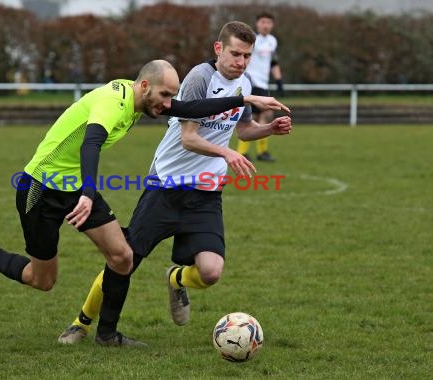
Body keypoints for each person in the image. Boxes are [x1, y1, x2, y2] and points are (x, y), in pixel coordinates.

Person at [0, 59, 288, 347]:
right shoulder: (113, 101)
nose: (169, 104)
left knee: (122, 256)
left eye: (172, 96)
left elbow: (192, 108)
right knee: (41, 279)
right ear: (144, 87)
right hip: (41, 189)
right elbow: (90, 144)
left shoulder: (144, 98)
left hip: (78, 186)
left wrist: (248, 100)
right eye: (165, 95)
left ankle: (106, 334)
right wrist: (89, 193)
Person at [58, 21, 292, 346]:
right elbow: (188, 138)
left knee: (210, 272)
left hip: (206, 192)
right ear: (218, 48)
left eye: (247, 56)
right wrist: (226, 153)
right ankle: (80, 323)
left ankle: (176, 277)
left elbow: (244, 129)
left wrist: (269, 130)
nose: (241, 61)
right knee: (124, 258)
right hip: (165, 187)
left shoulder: (246, 82)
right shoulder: (200, 78)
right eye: (236, 53)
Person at [237, 11, 284, 162]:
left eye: (268, 22)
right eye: (263, 22)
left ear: (272, 25)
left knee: (258, 116)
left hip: (263, 83)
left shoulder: (272, 41)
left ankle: (248, 152)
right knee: (260, 116)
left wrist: (278, 80)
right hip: (251, 82)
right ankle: (256, 152)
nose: (265, 25)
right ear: (257, 24)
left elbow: (273, 62)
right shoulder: (252, 40)